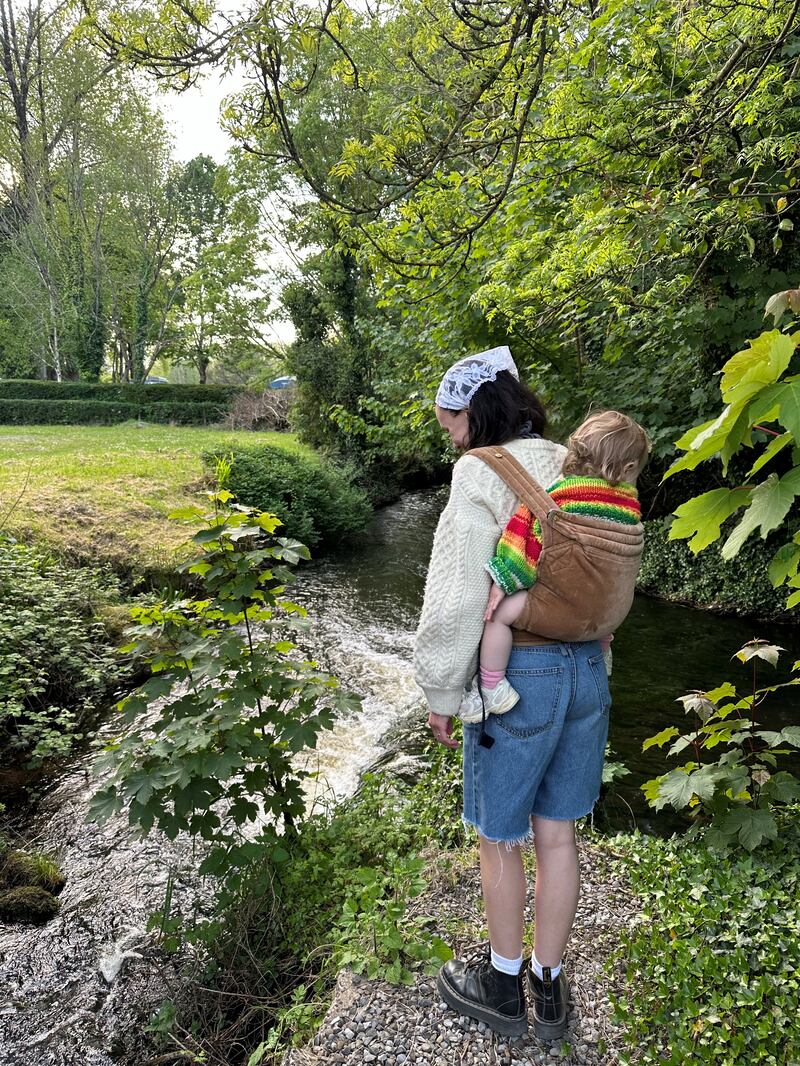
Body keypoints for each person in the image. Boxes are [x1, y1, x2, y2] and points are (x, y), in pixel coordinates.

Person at [414, 345, 614, 1040]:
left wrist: (443, 691)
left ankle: (501, 988)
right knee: (557, 836)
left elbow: (458, 598)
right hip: (588, 667)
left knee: (500, 836)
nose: (454, 439)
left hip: (518, 675)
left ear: (474, 411)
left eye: (453, 425)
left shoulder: (480, 471)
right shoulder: (577, 461)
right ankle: (552, 993)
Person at [460, 410, 649, 724]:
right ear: (628, 467)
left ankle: (492, 686)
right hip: (604, 618)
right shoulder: (631, 507)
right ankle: (603, 651)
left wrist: (504, 579)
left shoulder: (564, 496)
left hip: (556, 616)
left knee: (499, 614)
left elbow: (527, 540)